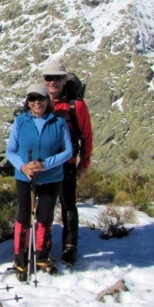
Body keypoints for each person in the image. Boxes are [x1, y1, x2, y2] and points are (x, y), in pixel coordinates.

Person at [6, 83, 73, 282]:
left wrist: (45, 164)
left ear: (47, 101)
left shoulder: (58, 123)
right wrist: (23, 167)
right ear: (27, 102)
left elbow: (68, 151)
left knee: (44, 217)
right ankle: (20, 258)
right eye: (32, 99)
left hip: (51, 178)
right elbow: (11, 150)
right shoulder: (20, 122)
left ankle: (42, 256)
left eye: (41, 98)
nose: (37, 102)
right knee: (24, 217)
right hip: (24, 178)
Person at [42, 61, 93, 267]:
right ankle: (42, 243)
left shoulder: (76, 106)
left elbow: (87, 135)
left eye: (56, 78)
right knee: (43, 206)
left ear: (64, 80)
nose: (52, 82)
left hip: (67, 164)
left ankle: (70, 245)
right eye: (48, 78)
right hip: (44, 165)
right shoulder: (39, 102)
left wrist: (84, 164)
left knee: (68, 205)